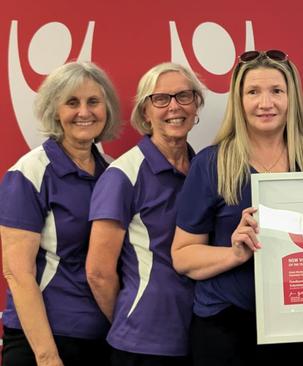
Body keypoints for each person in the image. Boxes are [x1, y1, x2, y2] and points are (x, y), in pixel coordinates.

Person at [171, 50, 303, 366]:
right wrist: (235, 253)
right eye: (253, 92)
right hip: (226, 327)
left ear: (291, 97)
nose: (265, 103)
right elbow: (182, 255)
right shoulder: (212, 164)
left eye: (276, 91)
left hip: (295, 327)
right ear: (238, 100)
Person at [0, 61, 121, 366]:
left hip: (101, 339)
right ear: (55, 111)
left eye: (93, 101)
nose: (84, 112)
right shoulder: (29, 172)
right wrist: (47, 356)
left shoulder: (112, 170)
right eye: (72, 102)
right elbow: (18, 273)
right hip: (44, 342)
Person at [85, 63, 203, 365]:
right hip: (142, 346)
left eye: (184, 96)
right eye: (160, 99)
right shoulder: (122, 175)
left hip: (200, 334)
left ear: (196, 104)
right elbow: (98, 273)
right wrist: (133, 321)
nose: (174, 107)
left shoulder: (204, 168)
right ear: (145, 112)